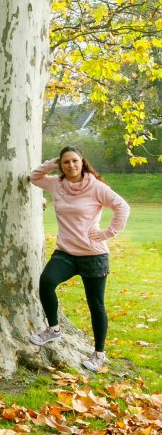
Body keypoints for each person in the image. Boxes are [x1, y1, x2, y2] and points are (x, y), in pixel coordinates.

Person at [29, 146, 130, 372]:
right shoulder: (57, 184)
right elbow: (35, 177)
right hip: (66, 253)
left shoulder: (96, 186)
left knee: (96, 305)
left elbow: (122, 207)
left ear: (82, 162)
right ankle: (53, 329)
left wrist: (107, 233)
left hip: (93, 255)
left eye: (75, 161)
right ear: (61, 165)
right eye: (66, 162)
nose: (71, 166)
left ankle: (99, 354)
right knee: (46, 282)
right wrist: (52, 162)